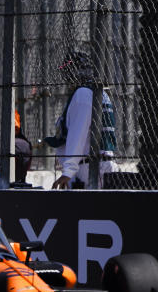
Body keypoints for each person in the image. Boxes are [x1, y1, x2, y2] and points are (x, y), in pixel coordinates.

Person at [47, 51, 117, 189]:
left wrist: (68, 171)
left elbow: (78, 134)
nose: (66, 77)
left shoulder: (83, 93)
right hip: (93, 165)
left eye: (67, 72)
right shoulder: (96, 91)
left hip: (89, 168)